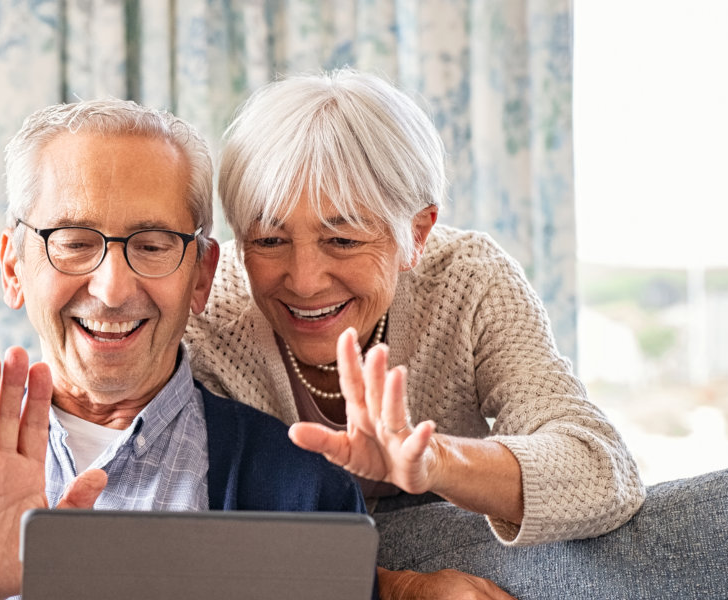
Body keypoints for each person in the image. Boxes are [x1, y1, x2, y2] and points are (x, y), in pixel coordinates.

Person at [0, 99, 365, 600]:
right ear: (14, 267)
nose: (111, 289)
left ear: (200, 276)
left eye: (152, 246)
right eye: (75, 243)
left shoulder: (303, 482)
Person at [185, 69, 645, 547]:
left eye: (342, 240)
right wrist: (398, 586)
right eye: (269, 240)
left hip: (455, 539)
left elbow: (602, 471)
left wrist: (434, 462)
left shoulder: (468, 280)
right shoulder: (209, 315)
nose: (304, 281)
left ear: (418, 233)